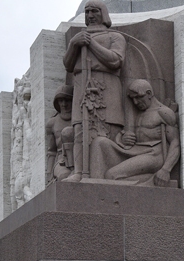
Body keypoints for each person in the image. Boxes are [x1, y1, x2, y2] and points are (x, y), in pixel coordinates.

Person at [63, 0, 126, 181]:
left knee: (108, 130)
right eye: (87, 12)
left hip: (106, 86)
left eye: (94, 11)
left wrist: (91, 44)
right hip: (82, 85)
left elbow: (115, 60)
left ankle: (108, 173)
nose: (90, 16)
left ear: (103, 14)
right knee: (79, 130)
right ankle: (78, 172)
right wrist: (74, 44)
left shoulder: (114, 37)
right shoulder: (78, 39)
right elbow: (68, 65)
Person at [89, 79, 180, 185]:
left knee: (111, 175)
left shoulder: (164, 113)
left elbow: (175, 143)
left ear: (149, 94)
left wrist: (165, 170)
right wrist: (123, 138)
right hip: (135, 151)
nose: (135, 102)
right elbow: (139, 135)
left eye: (138, 97)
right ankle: (94, 183)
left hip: (153, 154)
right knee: (99, 142)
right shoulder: (141, 113)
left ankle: (149, 180)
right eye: (133, 99)